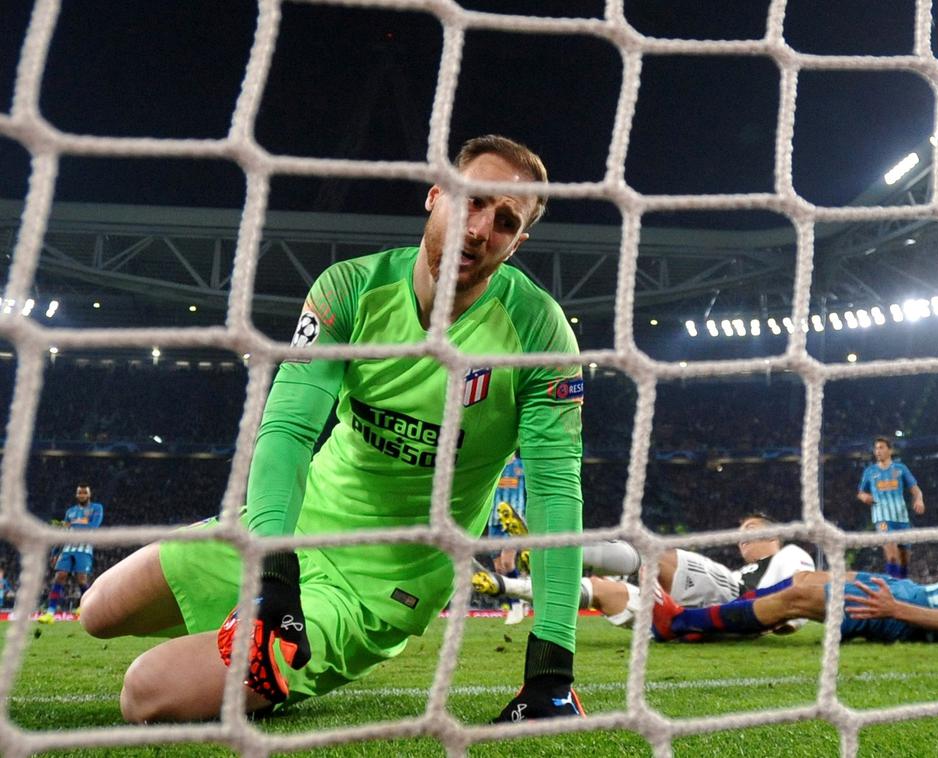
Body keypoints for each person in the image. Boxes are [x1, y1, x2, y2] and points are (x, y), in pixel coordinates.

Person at [79, 135, 587, 724]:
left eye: (503, 220)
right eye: (472, 202)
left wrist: (552, 666)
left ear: (518, 241)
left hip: (382, 579)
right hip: (298, 523)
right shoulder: (348, 290)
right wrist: (272, 569)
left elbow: (555, 491)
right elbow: (289, 429)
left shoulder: (539, 333)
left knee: (145, 693)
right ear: (436, 195)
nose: (479, 229)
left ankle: (283, 660)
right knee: (98, 611)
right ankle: (251, 632)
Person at [653, 490, 938, 644]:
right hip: (915, 594)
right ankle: (726, 619)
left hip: (906, 617)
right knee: (801, 578)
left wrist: (897, 611)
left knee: (799, 597)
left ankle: (681, 624)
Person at [476, 513, 815, 633]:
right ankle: (504, 584)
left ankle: (549, 549)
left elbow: (795, 606)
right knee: (600, 590)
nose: (742, 536)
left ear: (774, 535)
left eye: (751, 529)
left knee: (654, 554)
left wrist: (768, 623)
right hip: (698, 619)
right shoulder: (748, 568)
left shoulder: (790, 553)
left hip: (737, 599)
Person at [857, 437, 925, 579]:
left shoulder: (900, 469)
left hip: (901, 519)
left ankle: (901, 584)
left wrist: (919, 500)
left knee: (904, 558)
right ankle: (894, 588)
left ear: (890, 450)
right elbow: (860, 493)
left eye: (881, 447)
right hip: (882, 519)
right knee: (892, 555)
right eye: (876, 448)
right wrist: (865, 497)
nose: (878, 451)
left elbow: (916, 490)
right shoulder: (870, 472)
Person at [39, 484, 104, 623]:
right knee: (60, 576)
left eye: (84, 493)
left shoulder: (96, 508)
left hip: (84, 547)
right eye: (80, 493)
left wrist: (72, 525)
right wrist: (55, 552)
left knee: (81, 579)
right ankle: (50, 613)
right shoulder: (70, 512)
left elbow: (94, 526)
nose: (82, 495)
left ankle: (87, 607)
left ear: (89, 494)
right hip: (68, 547)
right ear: (76, 495)